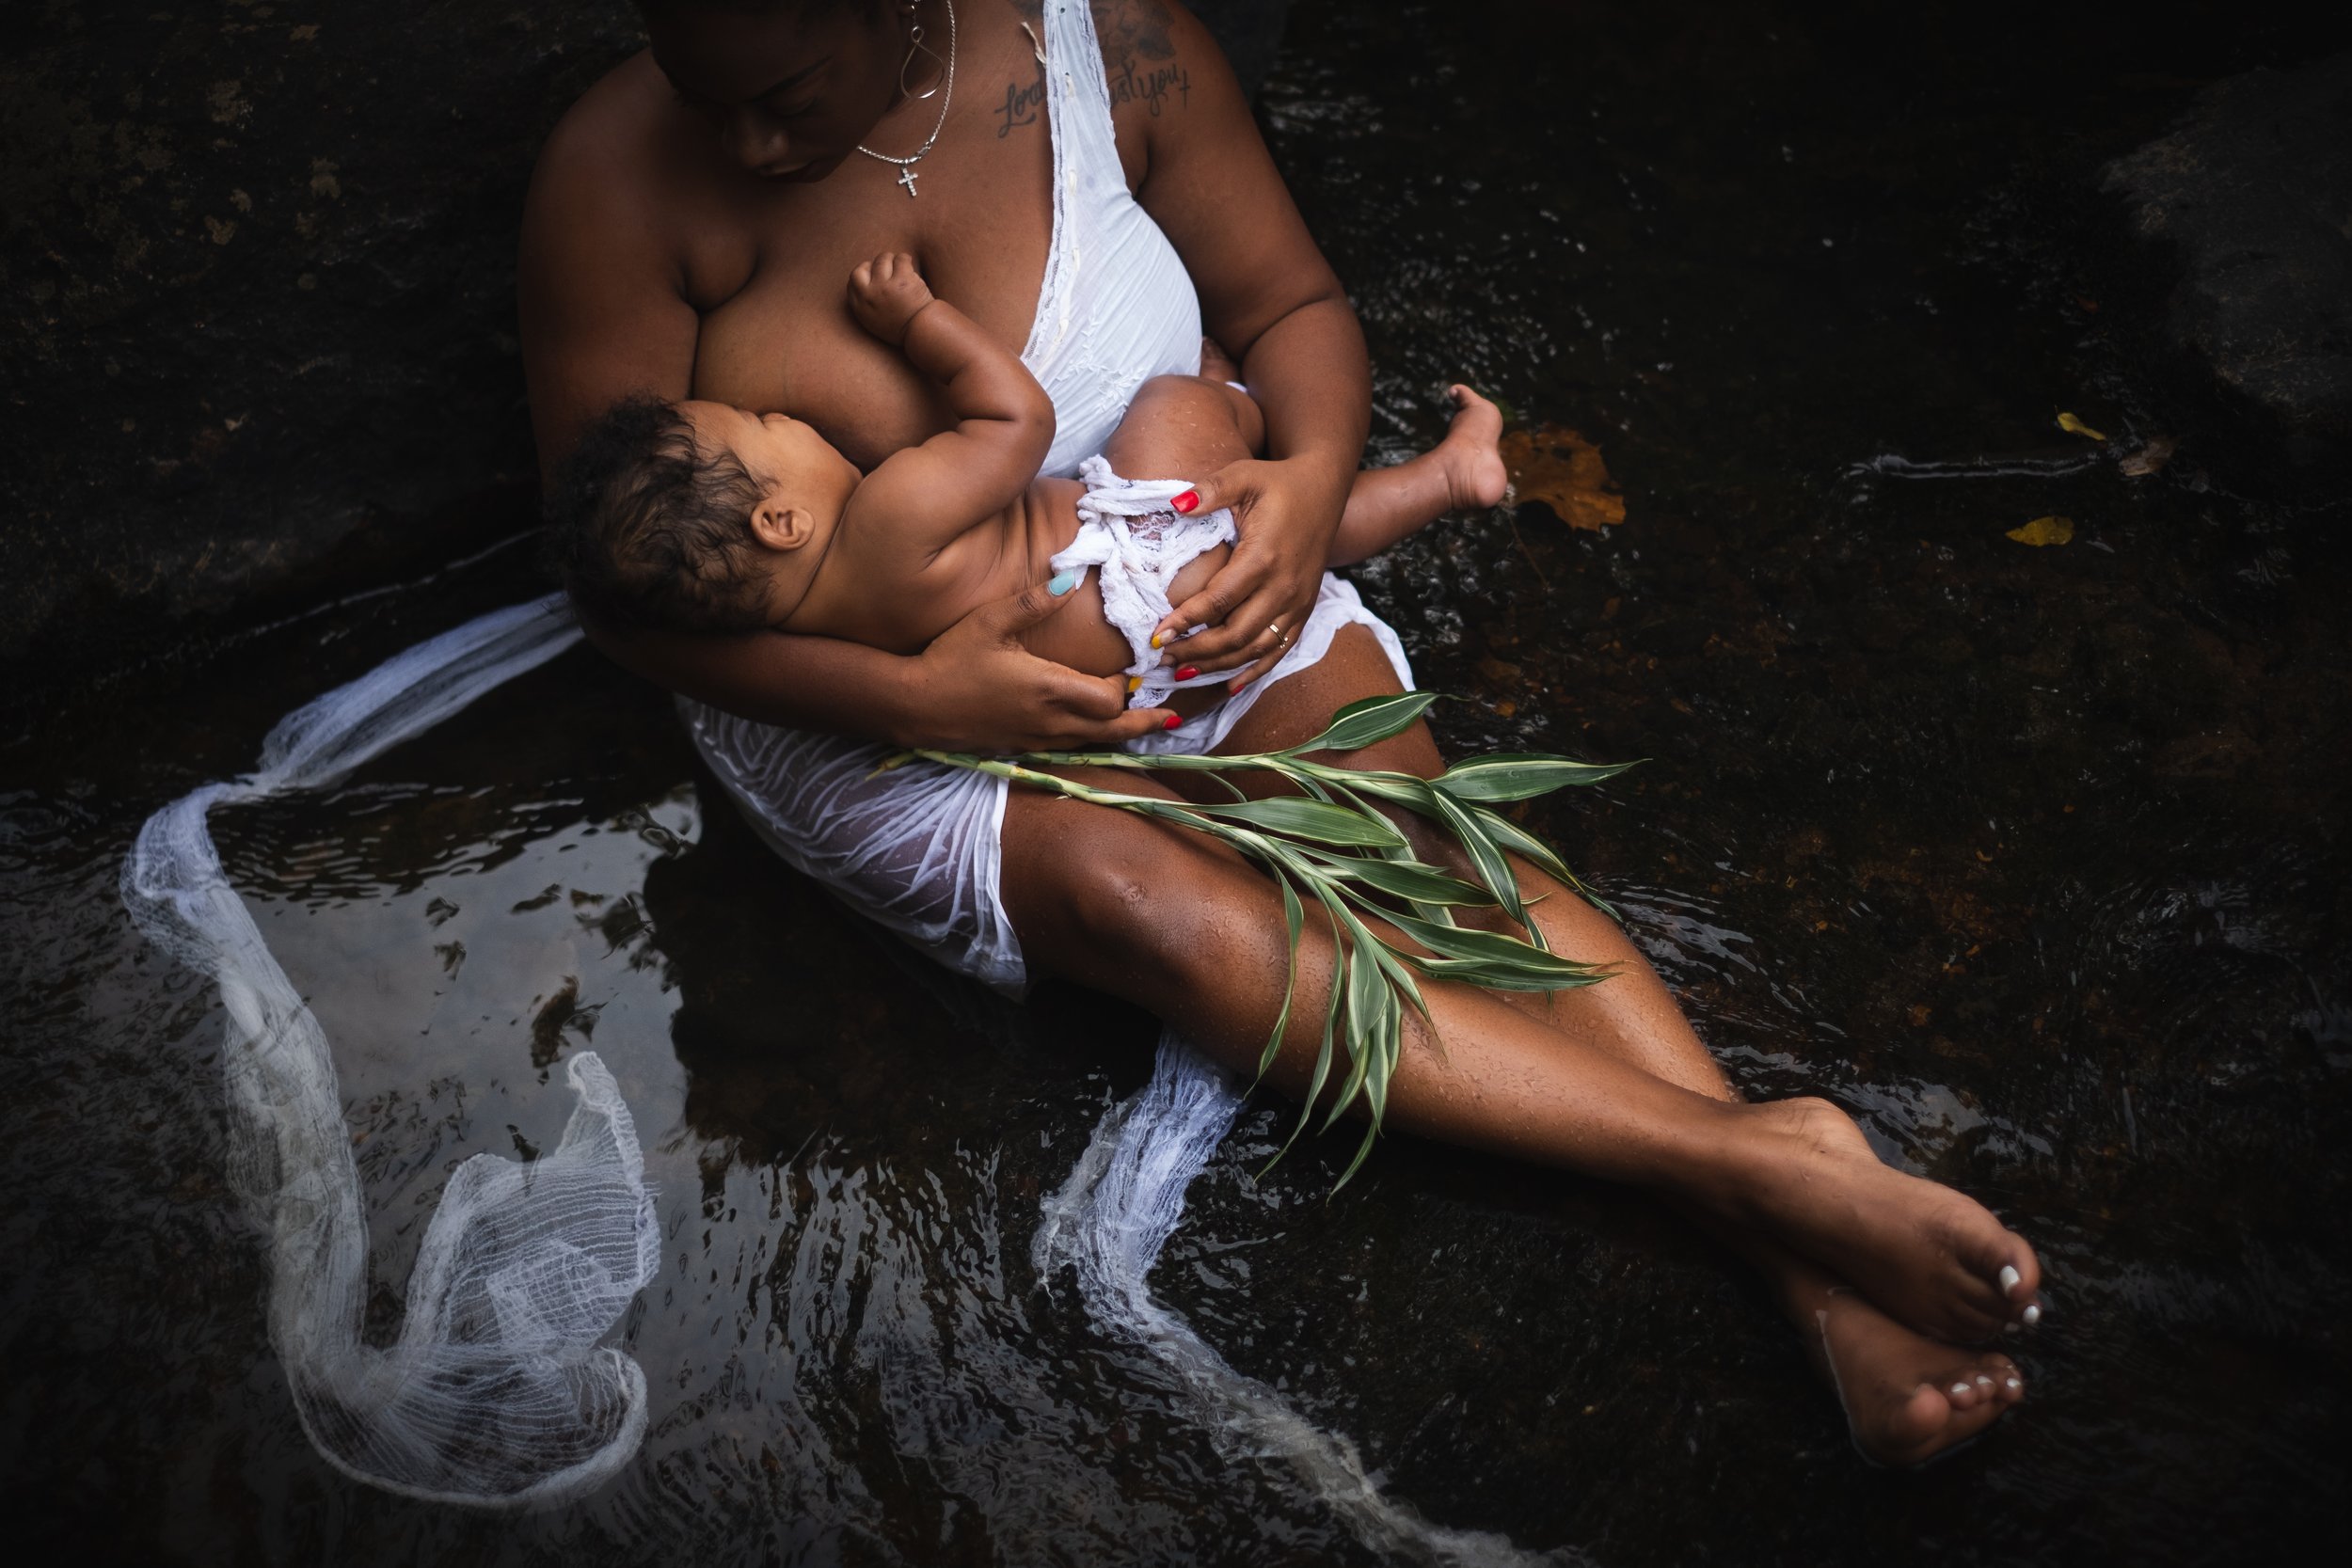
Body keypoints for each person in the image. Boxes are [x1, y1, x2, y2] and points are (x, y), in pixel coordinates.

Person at [520, 0, 2042, 1465]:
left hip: (1185, 569)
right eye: (699, 80)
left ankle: (1825, 1280)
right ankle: (1749, 1159)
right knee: (1153, 907)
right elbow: (627, 600)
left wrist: (1310, 491)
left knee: (1432, 852)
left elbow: (1294, 311)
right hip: (870, 712)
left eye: (784, 93)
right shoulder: (620, 174)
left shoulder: (1115, 42)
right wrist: (924, 699)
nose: (748, 144)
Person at [544, 248, 1507, 730]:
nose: (785, 417)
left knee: (1278, 534)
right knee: (1191, 416)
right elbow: (1019, 421)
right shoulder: (888, 512)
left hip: (1146, 665)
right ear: (781, 519)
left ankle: (1443, 476)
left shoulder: (803, 633)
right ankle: (1242, 399)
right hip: (1145, 546)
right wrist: (919, 320)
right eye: (762, 426)